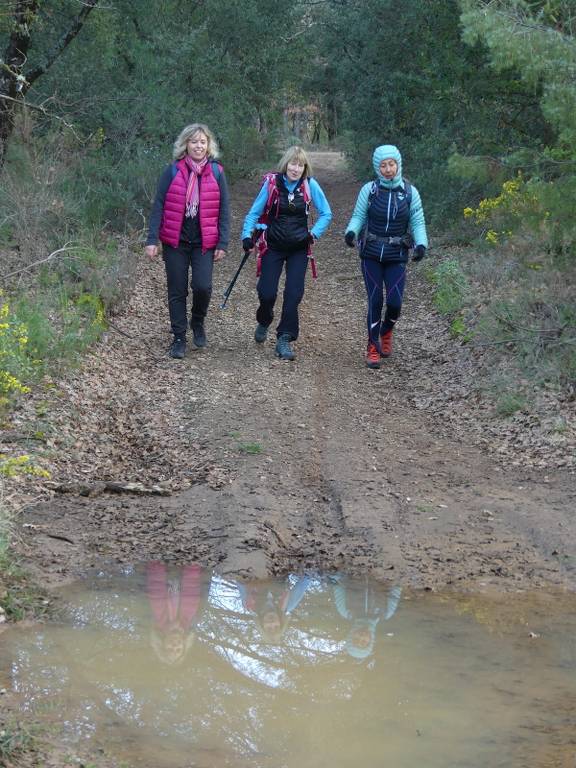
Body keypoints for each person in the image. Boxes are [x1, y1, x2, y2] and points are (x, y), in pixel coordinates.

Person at [145, 123, 230, 359]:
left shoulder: (217, 172)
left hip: (204, 240)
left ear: (208, 145)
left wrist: (222, 242)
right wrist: (152, 239)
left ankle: (198, 321)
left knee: (203, 287)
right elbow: (158, 206)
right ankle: (179, 337)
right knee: (177, 290)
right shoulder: (172, 171)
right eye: (194, 142)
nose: (198, 146)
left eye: (202, 142)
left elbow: (224, 209)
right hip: (175, 241)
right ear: (185, 145)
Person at [241, 146, 332, 361]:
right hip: (272, 245)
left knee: (294, 293)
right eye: (293, 163)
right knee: (266, 292)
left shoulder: (310, 185)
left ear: (304, 168)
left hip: (299, 249)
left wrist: (313, 235)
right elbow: (254, 212)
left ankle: (285, 338)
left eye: (300, 165)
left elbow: (327, 213)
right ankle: (264, 319)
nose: (296, 168)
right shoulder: (272, 184)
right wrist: (247, 236)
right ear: (286, 164)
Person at [344, 144, 428, 369]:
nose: (388, 169)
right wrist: (351, 232)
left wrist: (421, 245)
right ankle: (372, 346)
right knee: (375, 300)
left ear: (398, 165)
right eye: (383, 165)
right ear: (376, 167)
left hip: (397, 254)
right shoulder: (369, 190)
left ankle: (386, 330)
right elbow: (358, 215)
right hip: (371, 253)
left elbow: (417, 221)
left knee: (394, 303)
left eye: (392, 164)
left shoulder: (410, 192)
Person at [146, 561, 207, 665]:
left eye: (170, 649)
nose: (175, 646)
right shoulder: (194, 621)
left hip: (161, 564)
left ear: (162, 644)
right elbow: (197, 584)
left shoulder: (153, 620)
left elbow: (154, 583)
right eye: (178, 650)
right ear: (184, 645)